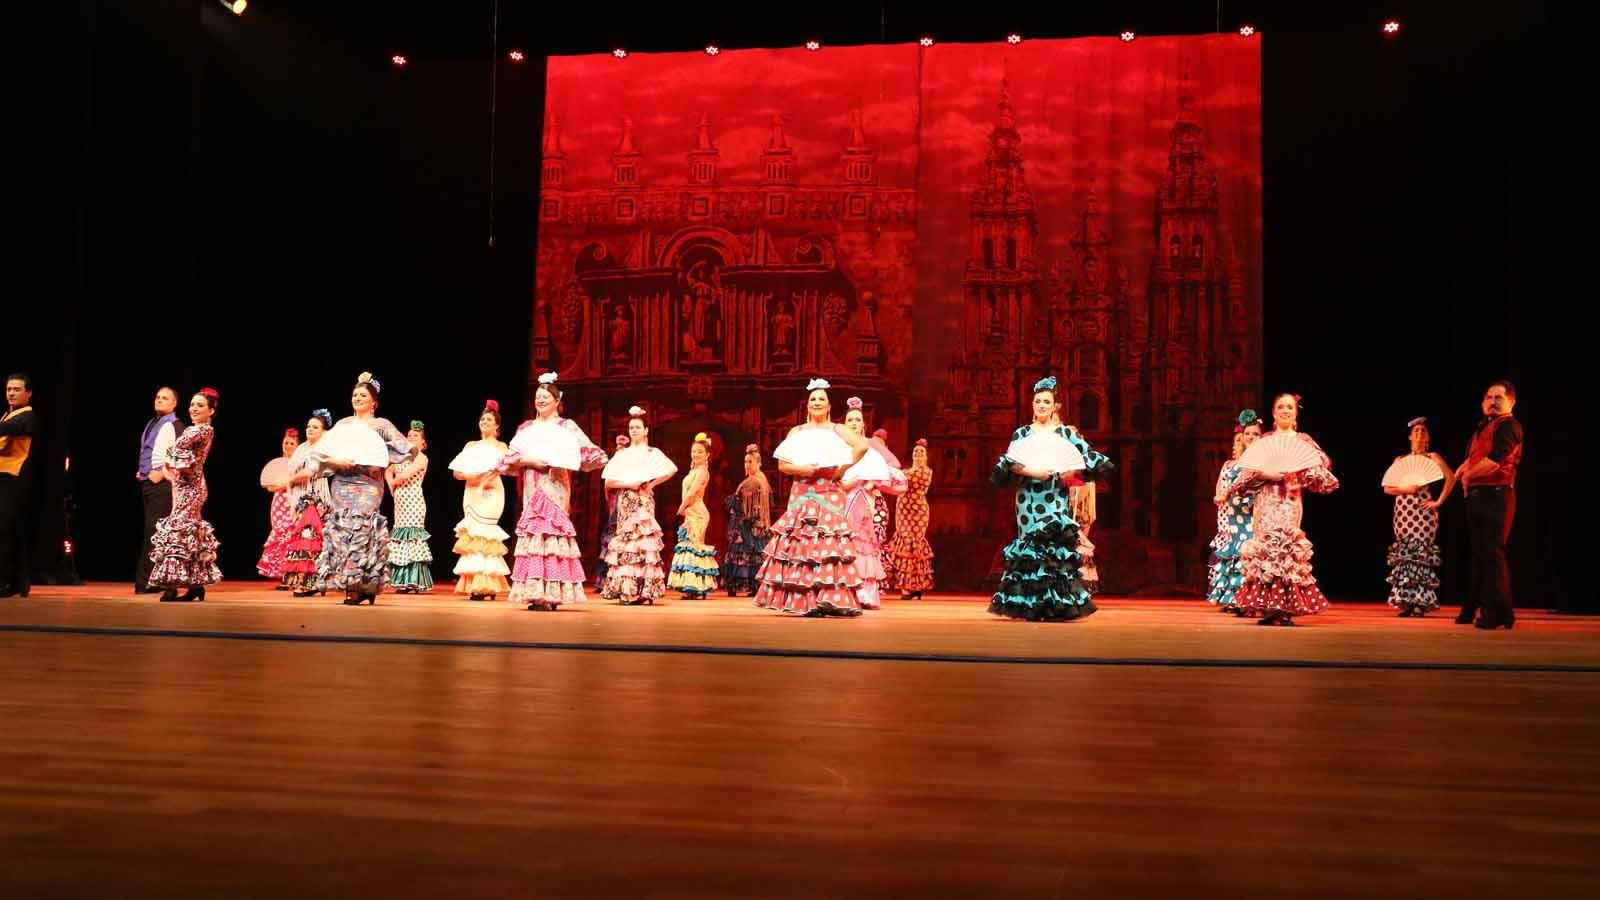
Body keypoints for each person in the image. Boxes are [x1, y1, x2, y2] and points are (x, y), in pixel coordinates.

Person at [989, 376, 1113, 621]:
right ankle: (1030, 604)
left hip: (1055, 495)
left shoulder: (1065, 434)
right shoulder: (1022, 433)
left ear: (1055, 405)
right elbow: (1009, 463)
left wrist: (1072, 471)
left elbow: (1088, 457)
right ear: (1033, 405)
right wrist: (1032, 471)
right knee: (1030, 547)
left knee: (1053, 547)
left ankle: (1054, 604)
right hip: (1027, 498)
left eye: (1047, 401)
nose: (1042, 405)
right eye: (1038, 401)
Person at [753, 378, 870, 617]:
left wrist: (842, 469)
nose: (817, 403)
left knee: (828, 544)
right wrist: (803, 470)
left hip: (828, 490)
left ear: (829, 406)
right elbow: (783, 465)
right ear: (807, 406)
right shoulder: (797, 432)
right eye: (813, 399)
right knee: (802, 544)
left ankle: (830, 598)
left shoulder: (837, 429)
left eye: (821, 399)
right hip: (803, 491)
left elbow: (861, 446)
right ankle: (805, 600)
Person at [1230, 393, 1339, 626]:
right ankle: (1270, 609)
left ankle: (1286, 608)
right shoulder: (1265, 440)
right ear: (1273, 412)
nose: (1285, 410)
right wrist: (1265, 474)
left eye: (1290, 407)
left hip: (1289, 501)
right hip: (1266, 502)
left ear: (1296, 412)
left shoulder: (1304, 441)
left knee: (1285, 550)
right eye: (1281, 406)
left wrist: (1298, 470)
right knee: (1266, 552)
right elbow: (1242, 480)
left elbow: (1320, 471)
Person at [502, 373, 607, 611]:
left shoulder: (566, 426)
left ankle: (551, 594)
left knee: (551, 537)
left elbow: (591, 455)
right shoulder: (527, 428)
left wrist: (561, 460)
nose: (540, 401)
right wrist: (530, 460)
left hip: (555, 486)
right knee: (534, 537)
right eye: (538, 397)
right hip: (532, 484)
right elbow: (510, 460)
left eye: (545, 397)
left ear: (557, 401)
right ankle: (535, 593)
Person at [313, 372, 416, 605]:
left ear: (374, 402)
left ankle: (364, 585)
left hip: (369, 484)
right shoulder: (343, 425)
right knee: (343, 530)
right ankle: (353, 586)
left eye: (362, 395)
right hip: (341, 482)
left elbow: (408, 449)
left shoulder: (382, 425)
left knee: (363, 531)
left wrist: (383, 458)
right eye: (354, 394)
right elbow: (320, 455)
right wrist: (336, 462)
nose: (357, 398)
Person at [1452, 380, 1524, 630]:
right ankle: (1500, 613)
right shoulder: (1483, 428)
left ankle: (1492, 614)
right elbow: (1471, 460)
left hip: (1497, 495)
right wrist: (1462, 470)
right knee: (1482, 555)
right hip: (1478, 496)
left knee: (1493, 555)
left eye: (1499, 398)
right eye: (1488, 397)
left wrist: (1469, 475)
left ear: (1511, 402)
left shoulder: (1509, 426)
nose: (1492, 402)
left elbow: (1495, 462)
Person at [148, 388, 223, 602]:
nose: (194, 408)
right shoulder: (197, 430)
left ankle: (172, 587)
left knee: (178, 532)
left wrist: (178, 469)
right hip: (186, 486)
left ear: (211, 410)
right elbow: (175, 455)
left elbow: (176, 450)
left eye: (200, 405)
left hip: (191, 487)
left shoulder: (200, 430)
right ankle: (195, 586)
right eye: (192, 404)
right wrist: (171, 472)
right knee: (188, 536)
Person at [599, 405, 677, 605]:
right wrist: (629, 484)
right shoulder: (622, 454)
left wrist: (651, 483)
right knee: (628, 542)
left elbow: (671, 469)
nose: (633, 430)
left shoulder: (652, 452)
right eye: (631, 427)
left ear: (646, 430)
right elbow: (609, 481)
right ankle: (627, 590)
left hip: (643, 499)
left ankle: (645, 590)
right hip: (626, 499)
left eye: (637, 427)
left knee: (644, 542)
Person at [1385, 417, 1456, 617]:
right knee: (1406, 556)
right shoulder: (1400, 461)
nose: (1419, 433)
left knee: (1420, 556)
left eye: (1423, 431)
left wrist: (1438, 502)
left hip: (1422, 513)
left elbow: (1451, 477)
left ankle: (1420, 603)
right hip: (1403, 512)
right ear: (1409, 436)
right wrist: (1404, 488)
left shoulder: (1432, 457)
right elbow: (1387, 488)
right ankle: (1406, 602)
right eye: (1415, 431)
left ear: (1428, 438)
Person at [451, 401, 511, 601]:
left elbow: (501, 469)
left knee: (486, 536)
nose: (484, 422)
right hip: (471, 491)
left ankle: (488, 585)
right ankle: (476, 583)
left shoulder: (501, 446)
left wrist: (484, 479)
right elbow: (457, 473)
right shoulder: (471, 445)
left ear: (497, 426)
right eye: (482, 419)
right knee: (473, 536)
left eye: (489, 419)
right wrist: (469, 476)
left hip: (491, 491)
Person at [1207, 410, 1262, 612]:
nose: (1251, 437)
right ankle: (1234, 598)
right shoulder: (1231, 464)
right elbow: (1220, 486)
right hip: (1233, 516)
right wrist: (1220, 497)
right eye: (1248, 434)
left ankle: (1251, 598)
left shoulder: (1262, 464)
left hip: (1253, 515)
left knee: (1249, 554)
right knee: (1234, 554)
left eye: (1256, 434)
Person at [283, 409, 334, 596]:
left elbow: (311, 471)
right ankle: (316, 581)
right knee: (306, 538)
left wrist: (291, 480)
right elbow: (292, 470)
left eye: (315, 427)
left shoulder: (322, 448)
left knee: (309, 538)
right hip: (300, 497)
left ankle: (308, 582)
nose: (310, 429)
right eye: (308, 426)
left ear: (324, 431)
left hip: (315, 497)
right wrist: (291, 489)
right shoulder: (302, 448)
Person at [134, 386, 179, 594]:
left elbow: (177, 453)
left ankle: (150, 581)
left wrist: (160, 474)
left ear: (174, 404)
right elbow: (151, 450)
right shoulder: (153, 422)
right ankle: (150, 580)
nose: (159, 400)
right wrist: (142, 471)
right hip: (148, 483)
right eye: (157, 397)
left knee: (154, 532)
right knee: (151, 532)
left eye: (165, 398)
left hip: (162, 485)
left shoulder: (174, 425)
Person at [666, 432, 720, 598]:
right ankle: (692, 586)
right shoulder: (695, 470)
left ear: (707, 455)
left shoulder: (703, 471)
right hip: (691, 513)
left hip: (697, 513)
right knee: (689, 546)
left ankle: (696, 587)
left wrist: (681, 508)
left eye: (700, 452)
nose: (696, 454)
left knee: (694, 547)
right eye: (694, 451)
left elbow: (692, 493)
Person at [0, 373, 37, 598]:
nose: (11, 393)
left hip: (16, 478)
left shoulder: (26, 416)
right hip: (5, 477)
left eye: (16, 389)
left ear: (28, 393)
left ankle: (7, 582)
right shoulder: (8, 415)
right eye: (8, 389)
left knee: (8, 530)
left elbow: (8, 431)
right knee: (10, 531)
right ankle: (16, 583)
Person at [387, 420, 433, 593]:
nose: (411, 437)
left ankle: (415, 580)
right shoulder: (401, 457)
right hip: (399, 503)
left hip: (413, 501)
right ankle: (403, 581)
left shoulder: (421, 458)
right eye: (409, 435)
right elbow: (388, 471)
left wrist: (395, 481)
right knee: (401, 537)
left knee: (412, 538)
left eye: (415, 436)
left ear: (423, 443)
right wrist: (391, 484)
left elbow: (405, 475)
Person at [886, 438, 935, 600]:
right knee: (903, 544)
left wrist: (896, 473)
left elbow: (909, 480)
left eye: (921, 452)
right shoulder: (905, 471)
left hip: (918, 511)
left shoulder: (926, 471)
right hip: (903, 510)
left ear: (926, 456)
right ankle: (909, 586)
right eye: (916, 451)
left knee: (913, 544)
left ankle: (913, 586)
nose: (918, 454)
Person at [722, 443, 771, 597]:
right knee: (754, 554)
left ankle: (741, 585)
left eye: (751, 462)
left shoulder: (753, 481)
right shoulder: (761, 479)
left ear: (759, 463)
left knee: (746, 553)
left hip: (748, 524)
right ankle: (754, 585)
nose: (748, 465)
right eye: (746, 462)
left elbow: (740, 505)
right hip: (756, 523)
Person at [256, 428, 301, 584]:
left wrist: (288, 483)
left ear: (298, 445)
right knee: (280, 537)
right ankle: (283, 573)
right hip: (278, 503)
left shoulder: (300, 463)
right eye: (286, 443)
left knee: (292, 536)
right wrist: (283, 484)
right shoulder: (277, 464)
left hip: (294, 501)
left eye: (292, 443)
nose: (288, 446)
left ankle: (294, 574)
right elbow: (270, 486)